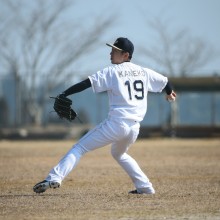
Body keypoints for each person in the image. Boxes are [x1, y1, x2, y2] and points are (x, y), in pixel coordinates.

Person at [33, 37, 176, 194]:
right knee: (119, 153)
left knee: (79, 147)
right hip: (134, 128)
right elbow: (165, 81)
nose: (110, 53)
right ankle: (145, 187)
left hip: (116, 124)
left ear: (126, 55)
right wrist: (169, 93)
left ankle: (54, 177)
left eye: (115, 51)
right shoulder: (144, 72)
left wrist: (65, 93)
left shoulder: (112, 71)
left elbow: (86, 83)